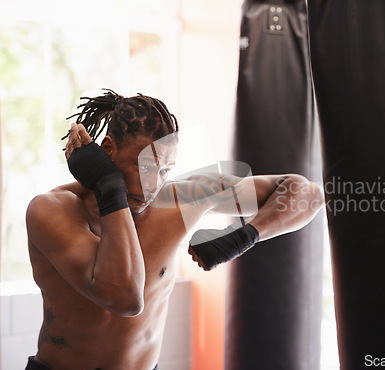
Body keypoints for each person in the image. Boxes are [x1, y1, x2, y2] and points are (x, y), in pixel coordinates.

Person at [25, 90, 324, 369]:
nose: (154, 185)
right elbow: (125, 298)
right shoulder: (51, 211)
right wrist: (109, 186)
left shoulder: (181, 199)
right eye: (144, 167)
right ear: (108, 150)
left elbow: (307, 194)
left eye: (165, 170)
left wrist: (241, 237)